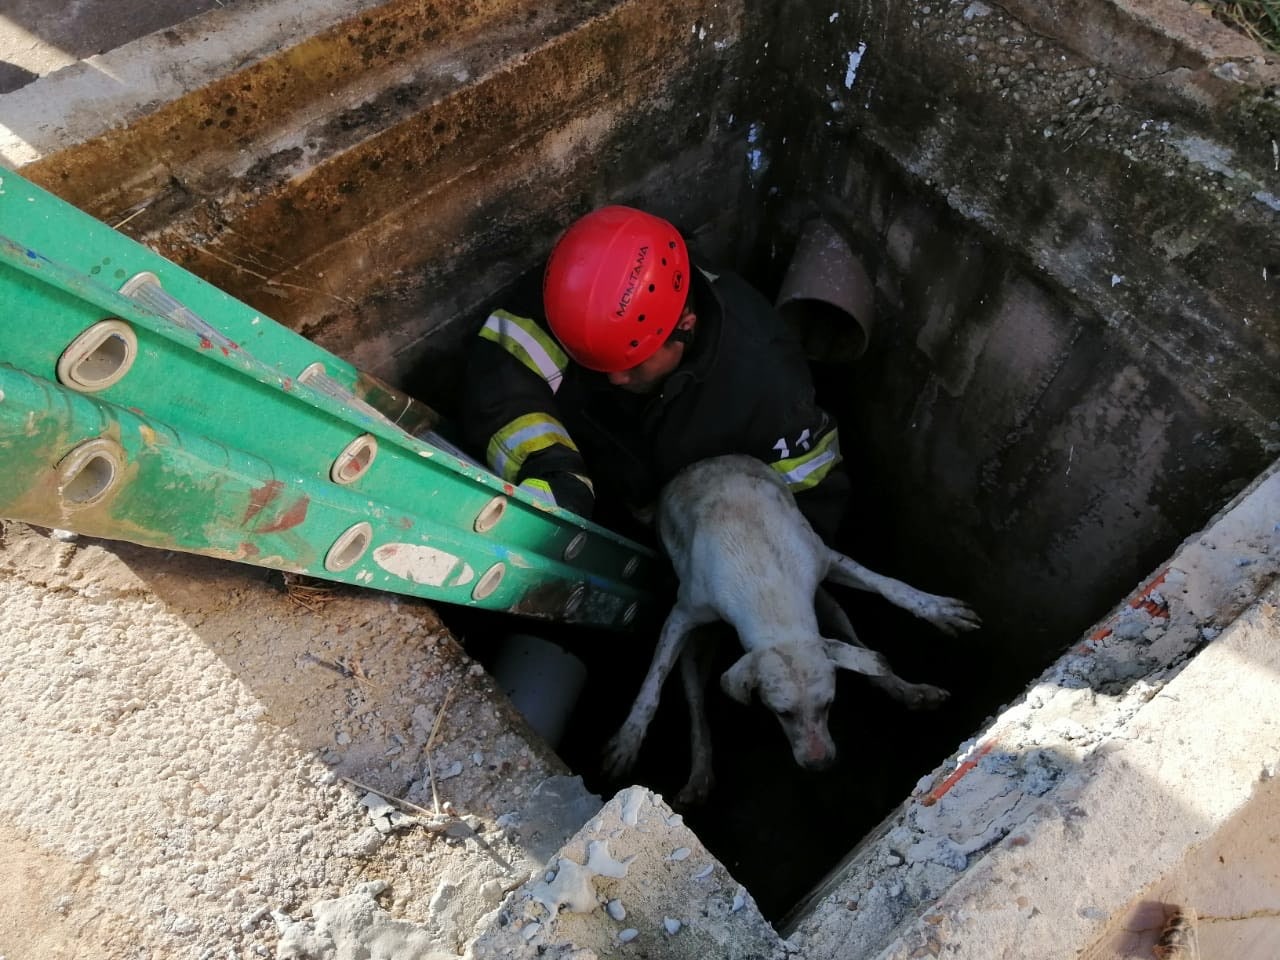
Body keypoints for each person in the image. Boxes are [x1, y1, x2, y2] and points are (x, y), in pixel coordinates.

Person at [460, 205, 851, 543]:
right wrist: (552, 467)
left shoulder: (766, 382)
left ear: (685, 327)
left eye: (633, 363)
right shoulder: (577, 295)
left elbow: (812, 493)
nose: (615, 379)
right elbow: (502, 368)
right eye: (599, 362)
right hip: (613, 494)